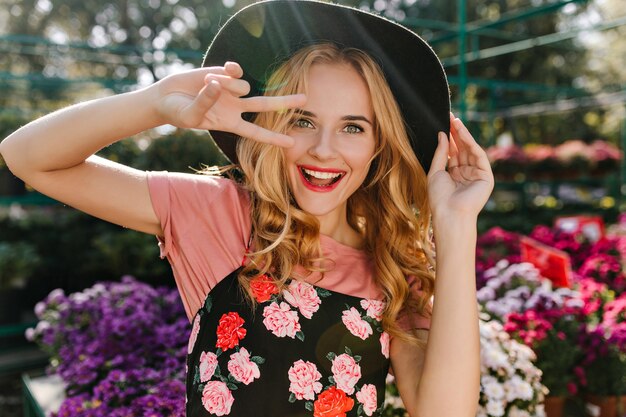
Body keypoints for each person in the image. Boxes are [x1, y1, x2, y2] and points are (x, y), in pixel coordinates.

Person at [0, 1, 494, 416]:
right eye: (302, 120)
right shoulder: (219, 214)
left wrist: (456, 225)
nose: (324, 149)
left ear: (378, 146)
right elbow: (28, 158)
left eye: (353, 127)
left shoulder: (391, 266)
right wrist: (155, 104)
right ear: (272, 122)